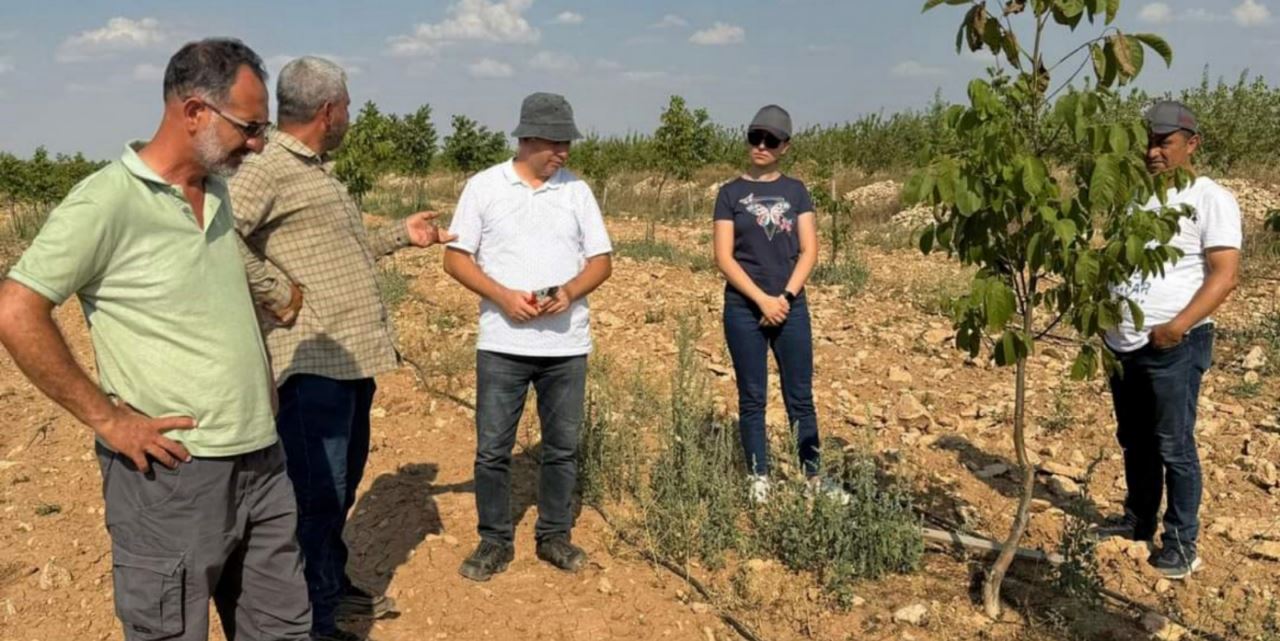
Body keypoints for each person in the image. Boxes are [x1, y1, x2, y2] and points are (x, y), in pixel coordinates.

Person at [0, 39, 312, 640]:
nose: (258, 144)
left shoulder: (216, 190)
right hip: (173, 477)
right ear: (194, 112)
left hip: (262, 462)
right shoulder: (107, 201)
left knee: (282, 629)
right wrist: (109, 419)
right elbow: (16, 310)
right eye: (249, 127)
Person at [228, 56, 454, 641]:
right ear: (328, 111)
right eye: (348, 105)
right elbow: (215, 233)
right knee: (313, 498)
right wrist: (277, 290)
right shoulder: (269, 166)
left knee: (336, 488)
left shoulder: (313, 169)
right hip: (310, 369)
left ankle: (329, 584)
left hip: (347, 363)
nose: (350, 115)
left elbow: (335, 255)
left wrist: (401, 236)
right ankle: (313, 621)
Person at [442, 92, 613, 582]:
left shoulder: (577, 191)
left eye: (567, 142)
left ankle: (554, 535)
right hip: (502, 345)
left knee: (562, 448)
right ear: (527, 138)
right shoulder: (483, 188)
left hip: (565, 347)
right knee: (492, 449)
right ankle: (494, 541)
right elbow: (455, 258)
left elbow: (601, 261)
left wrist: (570, 291)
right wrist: (502, 296)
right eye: (556, 142)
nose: (564, 151)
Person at [1100, 100, 1241, 580]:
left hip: (1174, 345)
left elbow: (1224, 276)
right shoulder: (1134, 198)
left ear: (1191, 143)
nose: (1152, 151)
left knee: (1173, 446)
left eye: (1164, 142)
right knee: (1134, 440)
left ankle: (1182, 541)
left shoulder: (1210, 198)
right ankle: (1138, 521)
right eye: (1148, 141)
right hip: (1124, 343)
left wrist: (1177, 326)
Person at [713, 105, 832, 504]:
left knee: (800, 395)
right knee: (752, 396)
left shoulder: (796, 191)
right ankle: (758, 478)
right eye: (755, 138)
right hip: (744, 307)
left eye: (771, 140)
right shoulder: (729, 194)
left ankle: (812, 479)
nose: (761, 146)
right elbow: (724, 257)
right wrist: (762, 299)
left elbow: (809, 250)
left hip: (790, 307)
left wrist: (785, 297)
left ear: (785, 147)